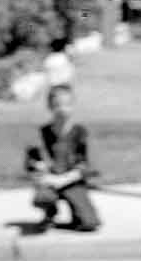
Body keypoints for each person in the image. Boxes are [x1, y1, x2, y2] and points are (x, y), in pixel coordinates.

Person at [28, 81, 101, 231]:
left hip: (72, 181)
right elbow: (32, 161)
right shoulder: (42, 133)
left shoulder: (80, 133)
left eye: (67, 104)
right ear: (50, 107)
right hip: (50, 182)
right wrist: (40, 171)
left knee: (90, 223)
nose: (62, 109)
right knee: (43, 197)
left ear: (73, 105)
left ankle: (75, 217)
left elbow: (85, 166)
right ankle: (49, 213)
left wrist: (62, 180)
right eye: (57, 105)